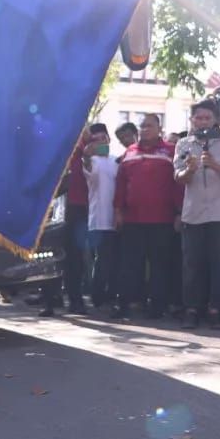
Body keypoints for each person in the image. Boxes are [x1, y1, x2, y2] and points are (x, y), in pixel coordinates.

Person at [174, 99, 220, 329]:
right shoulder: (184, 143)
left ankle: (215, 309)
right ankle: (192, 309)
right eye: (198, 118)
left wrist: (213, 164)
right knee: (192, 264)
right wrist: (189, 170)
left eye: (207, 118)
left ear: (215, 121)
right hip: (193, 214)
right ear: (192, 121)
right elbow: (178, 177)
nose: (202, 122)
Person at [113, 114, 182, 320]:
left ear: (159, 129)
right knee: (129, 265)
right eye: (142, 126)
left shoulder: (170, 152)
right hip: (133, 220)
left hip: (162, 220)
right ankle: (124, 303)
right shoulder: (129, 153)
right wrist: (117, 211)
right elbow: (120, 185)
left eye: (149, 126)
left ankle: (157, 306)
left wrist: (179, 213)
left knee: (159, 265)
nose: (145, 130)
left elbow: (179, 186)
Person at [43, 128, 90, 317]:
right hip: (53, 208)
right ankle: (49, 300)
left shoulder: (88, 150)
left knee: (75, 257)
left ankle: (76, 300)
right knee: (49, 254)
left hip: (78, 209)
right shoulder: (54, 149)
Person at [83, 123, 120, 313]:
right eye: (96, 140)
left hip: (118, 219)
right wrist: (87, 156)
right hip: (98, 219)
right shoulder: (92, 162)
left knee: (115, 261)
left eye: (103, 138)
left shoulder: (117, 161)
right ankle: (98, 297)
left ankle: (112, 296)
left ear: (109, 139)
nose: (101, 142)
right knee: (102, 260)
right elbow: (88, 170)